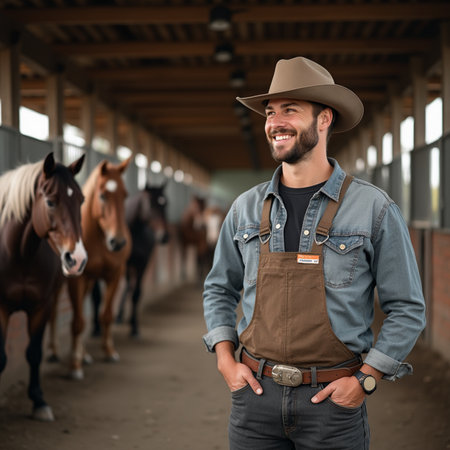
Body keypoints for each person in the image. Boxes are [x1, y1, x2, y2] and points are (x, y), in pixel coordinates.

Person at [202, 56, 426, 449]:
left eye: (290, 110)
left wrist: (366, 380)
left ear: (325, 119)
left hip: (332, 407)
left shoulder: (374, 209)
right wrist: (225, 358)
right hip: (255, 400)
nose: (275, 122)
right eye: (271, 112)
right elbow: (219, 287)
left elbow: (408, 308)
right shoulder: (245, 208)